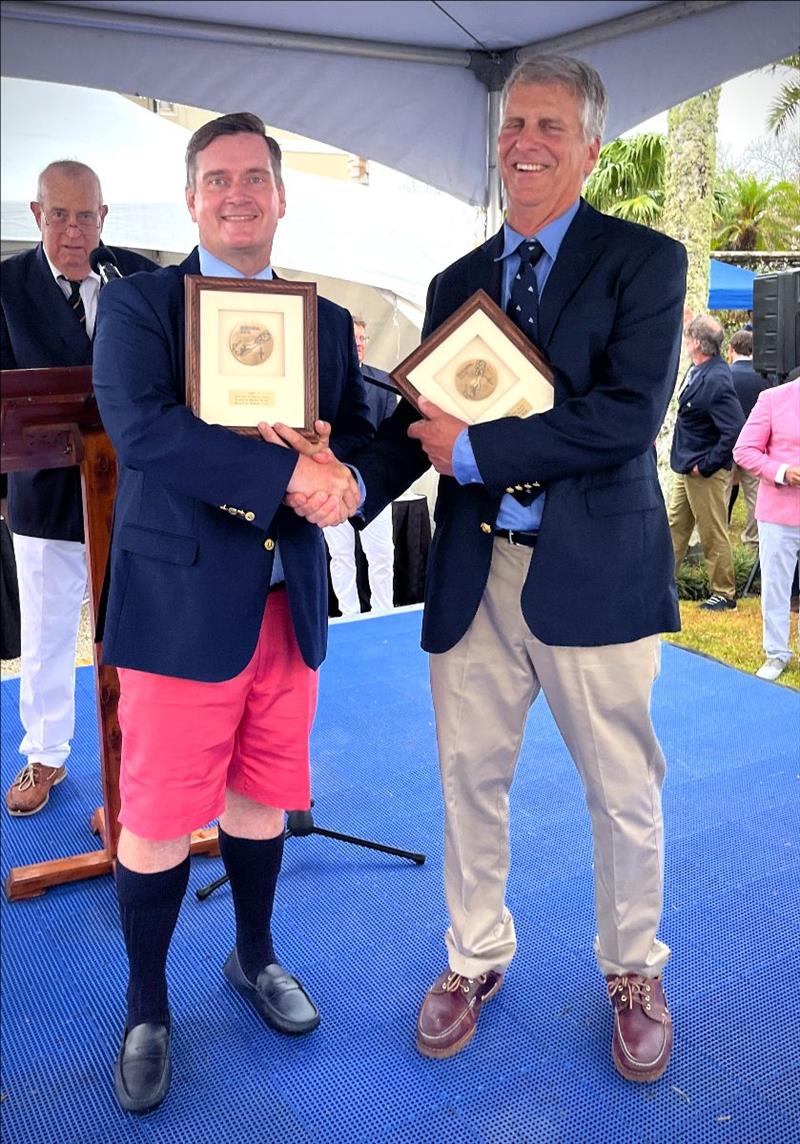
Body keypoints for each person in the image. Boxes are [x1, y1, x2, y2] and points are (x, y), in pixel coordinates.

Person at [282, 55, 687, 1083]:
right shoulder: (454, 281)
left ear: (590, 148)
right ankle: (472, 955)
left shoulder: (644, 261)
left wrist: (476, 452)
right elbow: (420, 424)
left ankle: (632, 970)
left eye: (549, 125)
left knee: (622, 791)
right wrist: (350, 479)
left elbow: (625, 416)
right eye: (513, 125)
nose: (525, 143)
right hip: (475, 574)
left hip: (592, 572)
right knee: (468, 780)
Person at [91, 112, 371, 1114]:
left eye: (255, 176)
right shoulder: (140, 310)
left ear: (282, 195)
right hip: (177, 606)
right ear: (192, 196)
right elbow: (144, 429)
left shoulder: (326, 322)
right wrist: (287, 473)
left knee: (261, 796)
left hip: (282, 605)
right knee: (160, 815)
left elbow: (369, 443)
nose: (237, 194)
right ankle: (144, 1003)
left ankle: (252, 957)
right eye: (218, 179)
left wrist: (344, 485)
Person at [1, 160, 158, 817]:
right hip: (40, 495)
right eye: (60, 215)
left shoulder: (140, 277)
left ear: (104, 217)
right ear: (36, 216)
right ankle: (46, 756)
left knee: (144, 630)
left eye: (86, 215)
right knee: (45, 633)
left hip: (133, 495)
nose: (74, 229)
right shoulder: (4, 287)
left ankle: (149, 756)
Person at [668, 315, 744, 611]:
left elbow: (734, 427)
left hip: (703, 470)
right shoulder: (698, 369)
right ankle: (663, 582)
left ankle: (725, 593)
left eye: (688, 338)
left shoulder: (716, 379)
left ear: (697, 343)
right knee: (676, 526)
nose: (685, 342)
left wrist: (708, 464)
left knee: (712, 529)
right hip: (687, 465)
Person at [324, 318, 398, 615]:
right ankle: (348, 613)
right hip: (332, 483)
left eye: (363, 339)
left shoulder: (382, 382)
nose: (359, 345)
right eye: (353, 339)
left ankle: (383, 611)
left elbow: (392, 434)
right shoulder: (326, 382)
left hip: (373, 485)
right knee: (341, 555)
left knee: (381, 554)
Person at [733, 376, 800, 681]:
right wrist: (783, 472)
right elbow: (744, 450)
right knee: (776, 587)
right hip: (779, 512)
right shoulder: (773, 399)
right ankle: (776, 653)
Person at [727, 328, 770, 545]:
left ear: (731, 349)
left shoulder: (725, 375)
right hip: (756, 444)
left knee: (722, 493)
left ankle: (719, 536)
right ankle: (752, 538)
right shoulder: (765, 377)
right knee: (754, 494)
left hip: (726, 444)